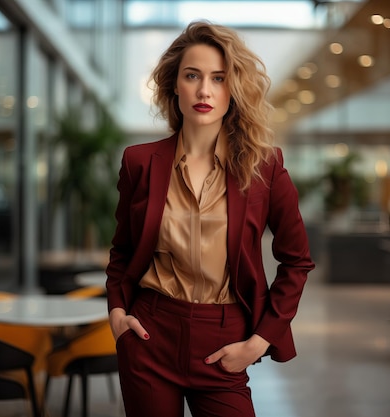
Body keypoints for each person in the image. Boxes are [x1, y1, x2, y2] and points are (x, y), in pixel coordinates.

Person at [105, 20, 315, 417]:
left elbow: (297, 261)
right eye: (192, 76)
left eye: (219, 78)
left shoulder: (264, 167)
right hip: (151, 334)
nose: (204, 90)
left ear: (232, 89)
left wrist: (258, 342)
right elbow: (123, 250)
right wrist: (118, 313)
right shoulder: (139, 162)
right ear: (174, 85)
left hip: (225, 341)